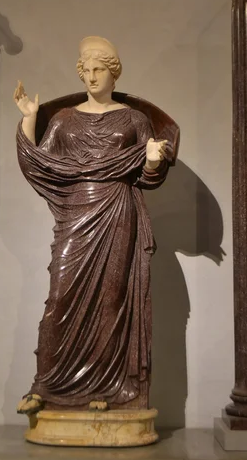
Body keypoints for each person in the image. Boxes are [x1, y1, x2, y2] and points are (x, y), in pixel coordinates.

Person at [14, 36, 172, 414]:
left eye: (99, 69)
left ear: (113, 72)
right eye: (86, 70)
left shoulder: (134, 120)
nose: (92, 76)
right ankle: (44, 387)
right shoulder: (66, 119)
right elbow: (40, 162)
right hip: (76, 212)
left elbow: (149, 177)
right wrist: (30, 118)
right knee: (60, 296)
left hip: (117, 211)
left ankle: (107, 388)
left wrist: (151, 161)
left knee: (110, 301)